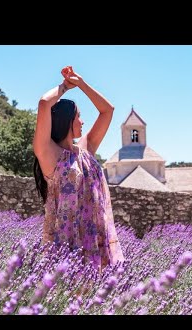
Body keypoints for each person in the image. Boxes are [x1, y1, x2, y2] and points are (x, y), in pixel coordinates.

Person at [32, 66, 125, 272]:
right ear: (66, 120)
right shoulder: (48, 153)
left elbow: (107, 110)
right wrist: (66, 86)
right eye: (78, 116)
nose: (82, 122)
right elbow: (44, 103)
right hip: (66, 242)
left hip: (94, 238)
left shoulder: (86, 148)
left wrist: (81, 83)